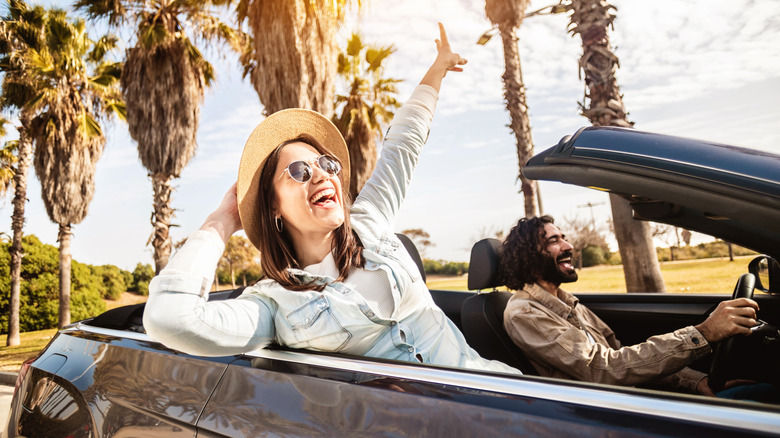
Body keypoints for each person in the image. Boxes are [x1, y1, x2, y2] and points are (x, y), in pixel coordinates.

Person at [143, 24, 519, 375]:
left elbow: (402, 145)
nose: (322, 174)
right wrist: (221, 221)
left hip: (503, 391)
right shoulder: (273, 305)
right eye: (299, 172)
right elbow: (171, 319)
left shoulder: (369, 219)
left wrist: (437, 70)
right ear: (272, 206)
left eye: (325, 163)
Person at [500, 215, 761, 395]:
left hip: (631, 395)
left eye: (563, 237)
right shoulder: (525, 313)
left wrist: (693, 381)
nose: (569, 245)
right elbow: (605, 369)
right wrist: (703, 333)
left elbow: (621, 355)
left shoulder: (565, 301)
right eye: (553, 241)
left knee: (761, 393)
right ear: (530, 258)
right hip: (606, 412)